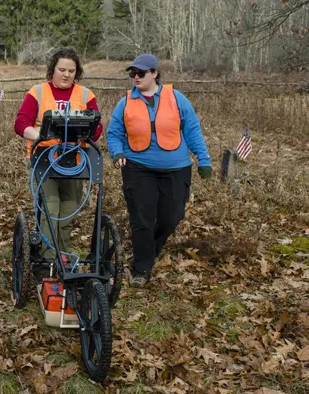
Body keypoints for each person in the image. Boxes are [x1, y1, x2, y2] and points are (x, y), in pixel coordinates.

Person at [106, 53, 212, 288]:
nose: (135, 77)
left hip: (176, 168)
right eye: (132, 73)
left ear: (154, 73)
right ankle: (141, 268)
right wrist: (118, 153)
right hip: (137, 168)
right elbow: (113, 133)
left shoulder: (176, 98)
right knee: (142, 219)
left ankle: (150, 250)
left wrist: (203, 159)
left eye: (141, 73)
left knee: (171, 217)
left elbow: (193, 129)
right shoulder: (125, 102)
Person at [14, 47, 103, 269]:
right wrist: (40, 136)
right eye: (61, 69)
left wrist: (86, 133)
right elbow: (21, 123)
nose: (66, 74)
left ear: (77, 72)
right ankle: (48, 259)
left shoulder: (85, 95)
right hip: (44, 158)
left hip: (74, 159)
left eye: (71, 71)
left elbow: (97, 127)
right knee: (50, 208)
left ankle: (62, 254)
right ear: (52, 70)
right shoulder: (38, 92)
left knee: (69, 207)